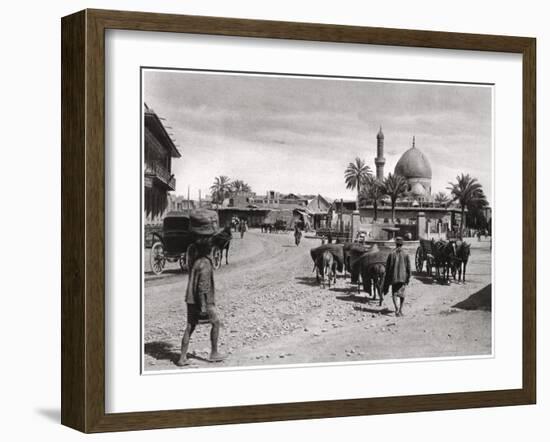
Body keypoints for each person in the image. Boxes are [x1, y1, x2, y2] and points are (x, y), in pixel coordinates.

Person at [177, 238, 225, 366]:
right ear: (208, 250)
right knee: (216, 323)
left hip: (190, 299)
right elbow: (202, 288)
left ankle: (182, 357)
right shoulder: (206, 264)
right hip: (203, 301)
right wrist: (203, 308)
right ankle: (214, 353)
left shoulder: (195, 262)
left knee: (190, 327)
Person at [383, 237, 411, 317]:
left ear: (396, 244)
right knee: (402, 294)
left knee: (394, 293)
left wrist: (387, 278)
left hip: (394, 277)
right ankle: (401, 310)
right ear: (402, 244)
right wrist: (408, 277)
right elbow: (408, 267)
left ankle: (396, 309)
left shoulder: (391, 254)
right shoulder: (406, 254)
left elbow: (387, 267)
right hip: (403, 277)